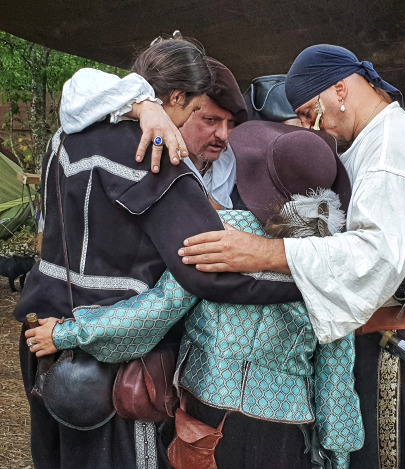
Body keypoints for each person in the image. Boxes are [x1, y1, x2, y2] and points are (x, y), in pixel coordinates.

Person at [177, 45, 405, 469]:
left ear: (340, 90)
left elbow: (376, 258)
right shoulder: (368, 139)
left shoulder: (392, 150)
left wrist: (263, 251)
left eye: (307, 113)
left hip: (400, 348)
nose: (304, 126)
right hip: (365, 341)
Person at [14, 39, 302, 469]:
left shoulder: (66, 136)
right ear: (175, 97)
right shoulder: (158, 156)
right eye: (193, 111)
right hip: (114, 363)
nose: (185, 123)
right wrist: (303, 280)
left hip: (42, 339)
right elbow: (203, 271)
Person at [26, 120, 364, 469]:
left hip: (207, 418)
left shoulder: (221, 236)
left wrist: (68, 333)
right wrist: (337, 455)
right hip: (289, 428)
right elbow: (336, 372)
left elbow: (161, 307)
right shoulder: (332, 261)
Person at [60, 53, 247, 209]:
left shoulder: (227, 159)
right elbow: (80, 86)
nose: (223, 135)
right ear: (178, 98)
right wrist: (144, 106)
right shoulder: (136, 142)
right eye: (209, 119)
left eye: (231, 123)